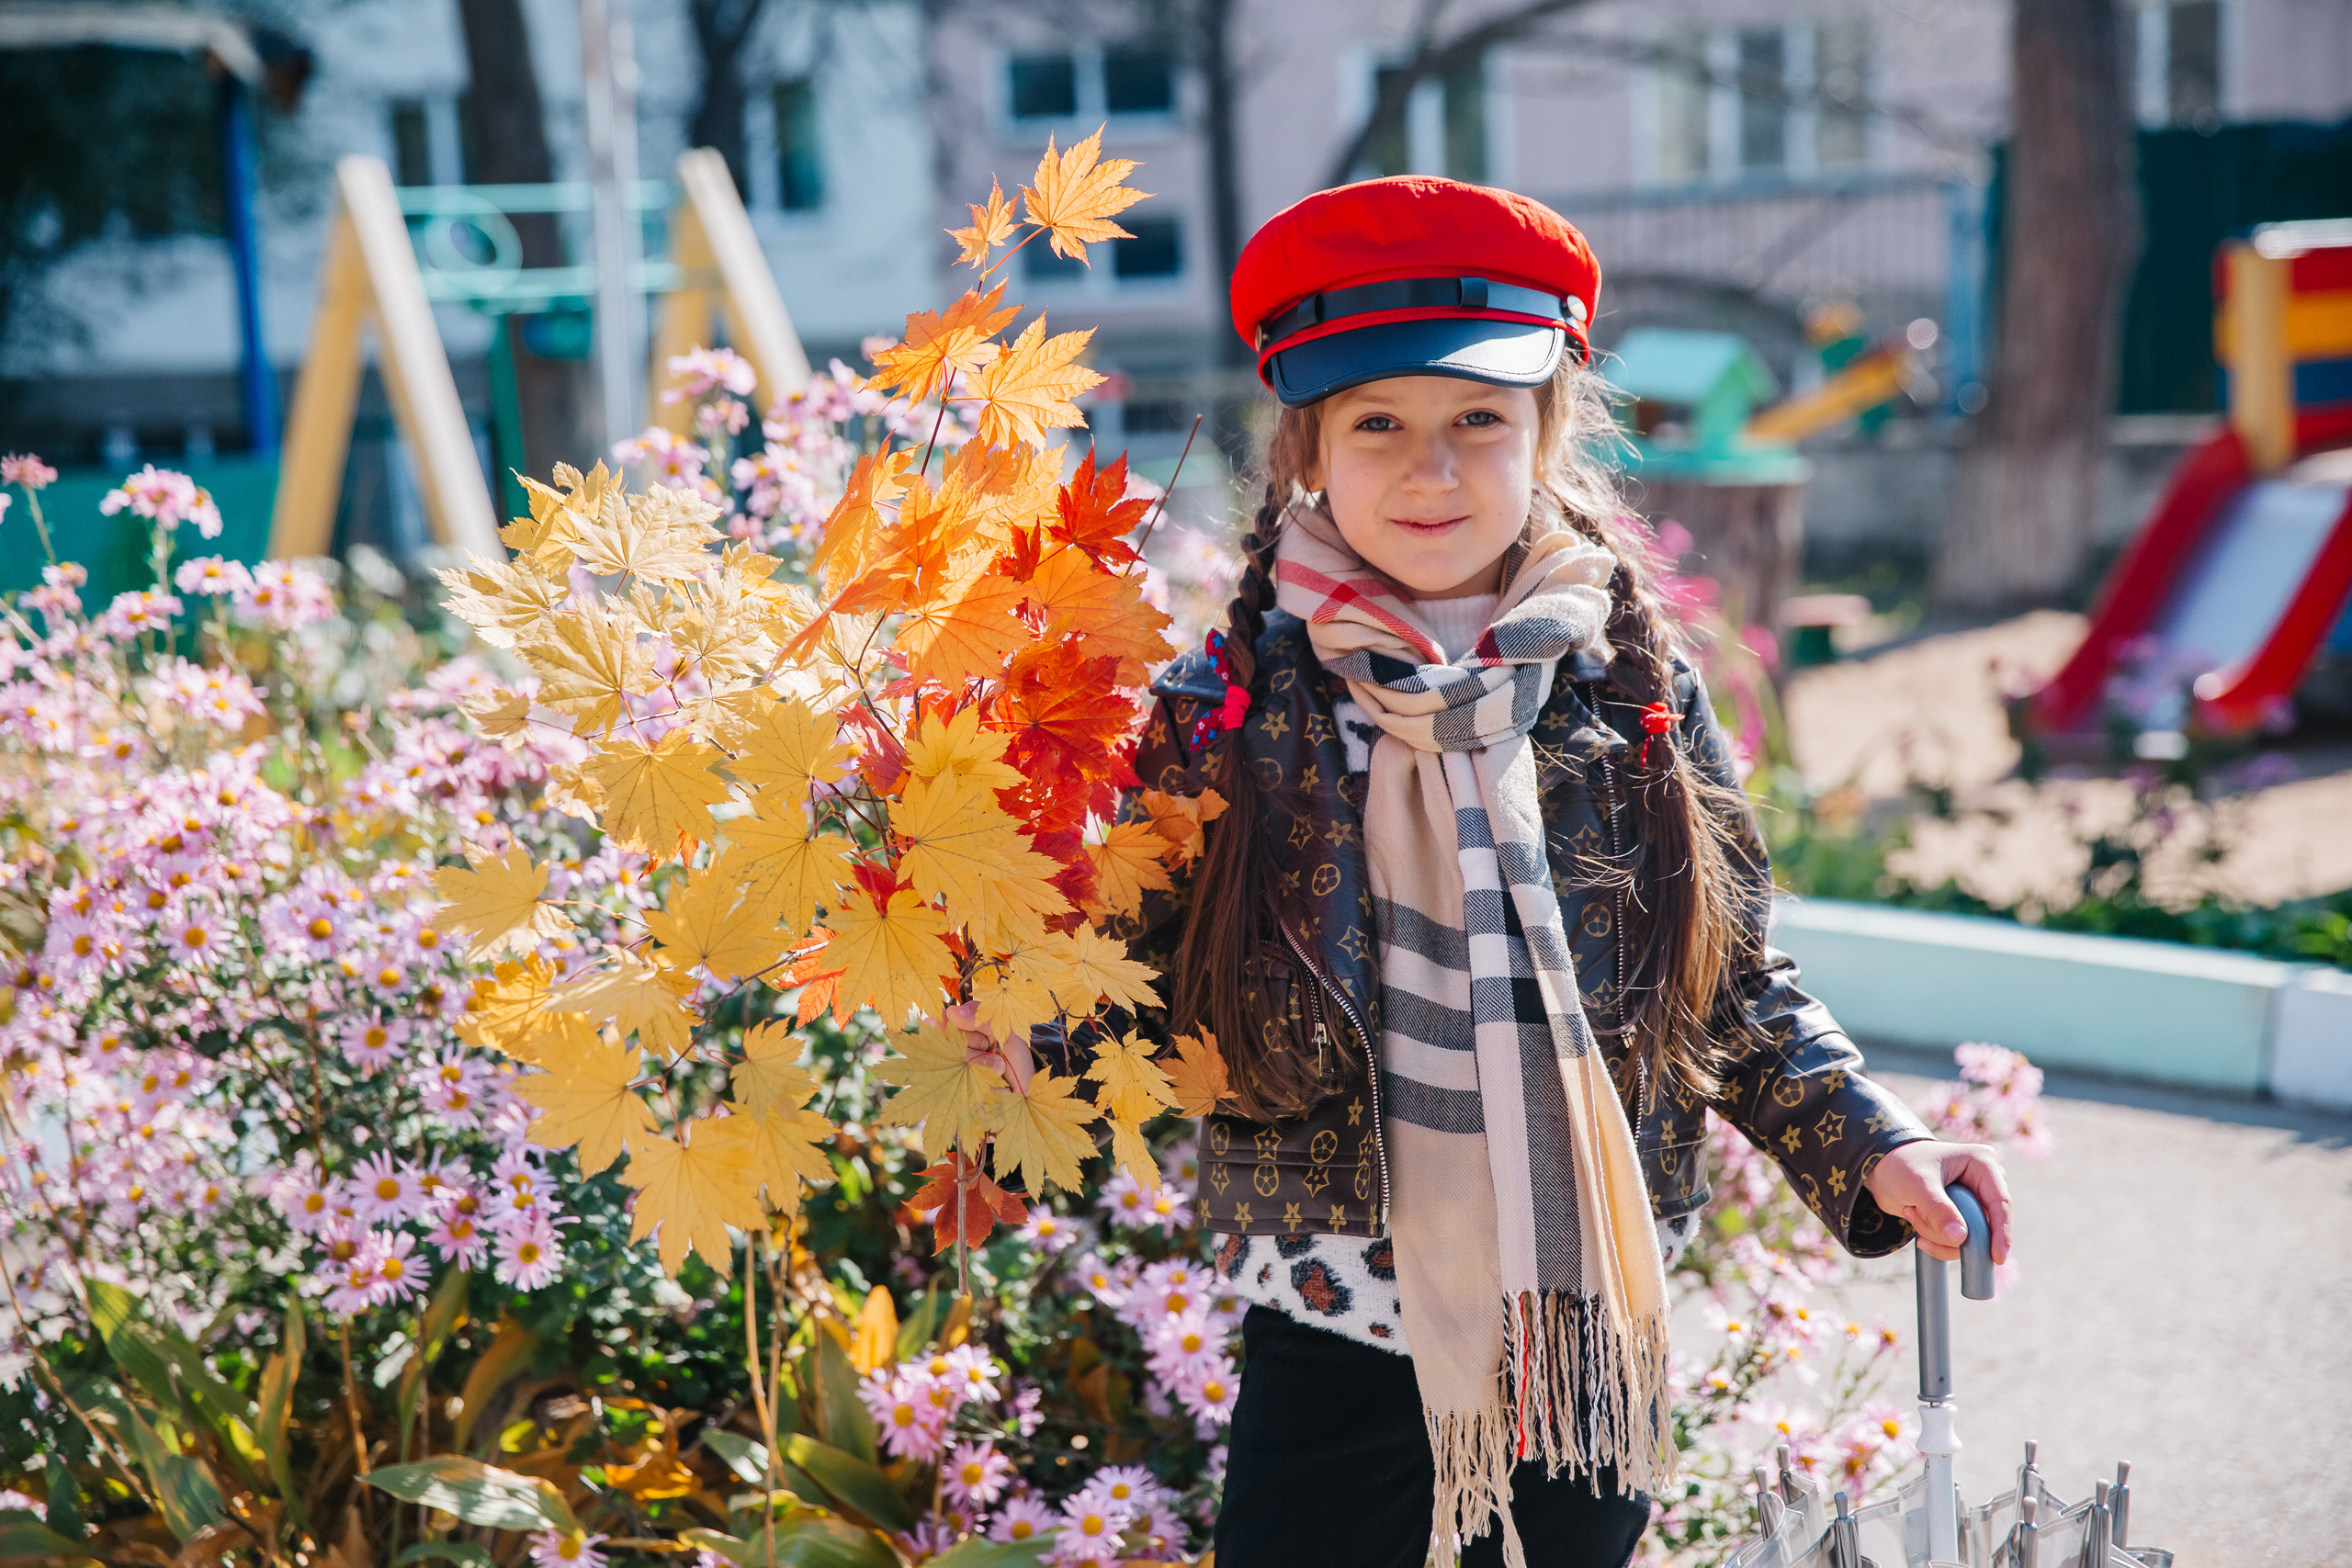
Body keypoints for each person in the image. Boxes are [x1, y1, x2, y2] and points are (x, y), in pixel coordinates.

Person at [1106, 177, 2016, 1568]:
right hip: (1335, 1303)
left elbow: (1727, 981)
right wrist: (1006, 1020)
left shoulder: (1628, 690)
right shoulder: (1226, 708)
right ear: (1306, 447)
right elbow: (1115, 976)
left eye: (1479, 418)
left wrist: (1875, 1140)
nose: (1431, 470)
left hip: (1580, 1314)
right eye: (1377, 424)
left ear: (1547, 427)